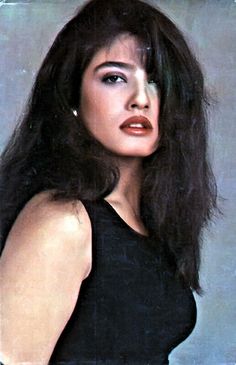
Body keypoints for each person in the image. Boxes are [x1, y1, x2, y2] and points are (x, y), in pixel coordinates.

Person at [0, 0, 217, 363]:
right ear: (72, 96)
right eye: (114, 78)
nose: (140, 100)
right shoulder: (63, 221)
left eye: (156, 82)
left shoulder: (149, 222)